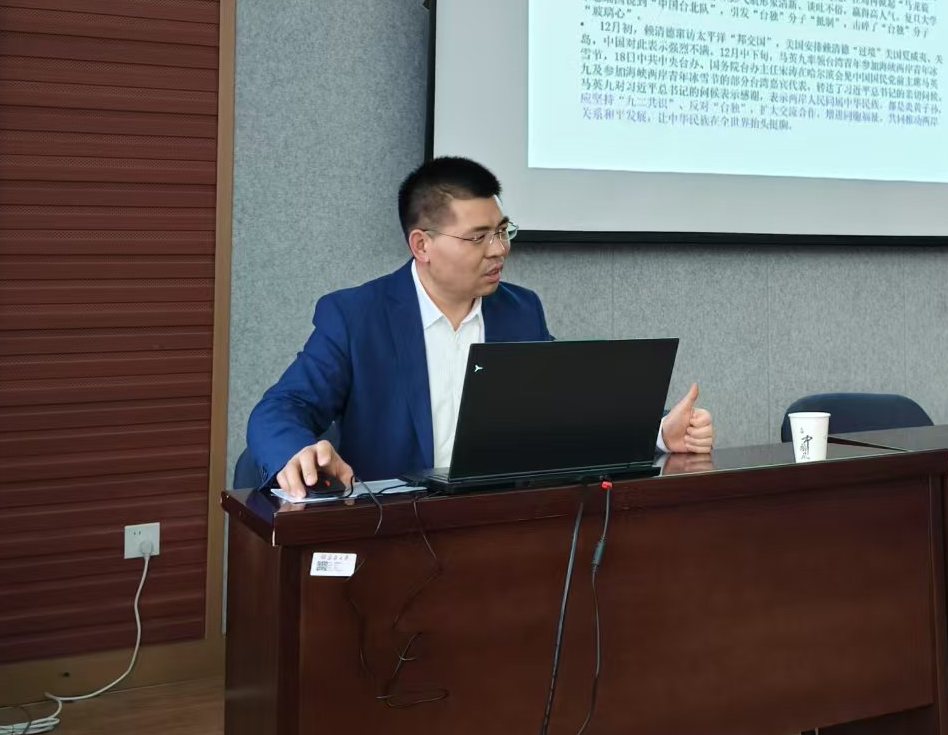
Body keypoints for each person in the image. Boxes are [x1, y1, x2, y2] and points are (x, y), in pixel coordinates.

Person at [247, 156, 714, 498]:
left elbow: (572, 411)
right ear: (422, 246)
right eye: (478, 237)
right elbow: (282, 407)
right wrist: (296, 452)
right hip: (391, 528)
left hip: (497, 523)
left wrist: (658, 433)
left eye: (502, 231)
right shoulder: (356, 316)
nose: (498, 249)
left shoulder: (520, 311)